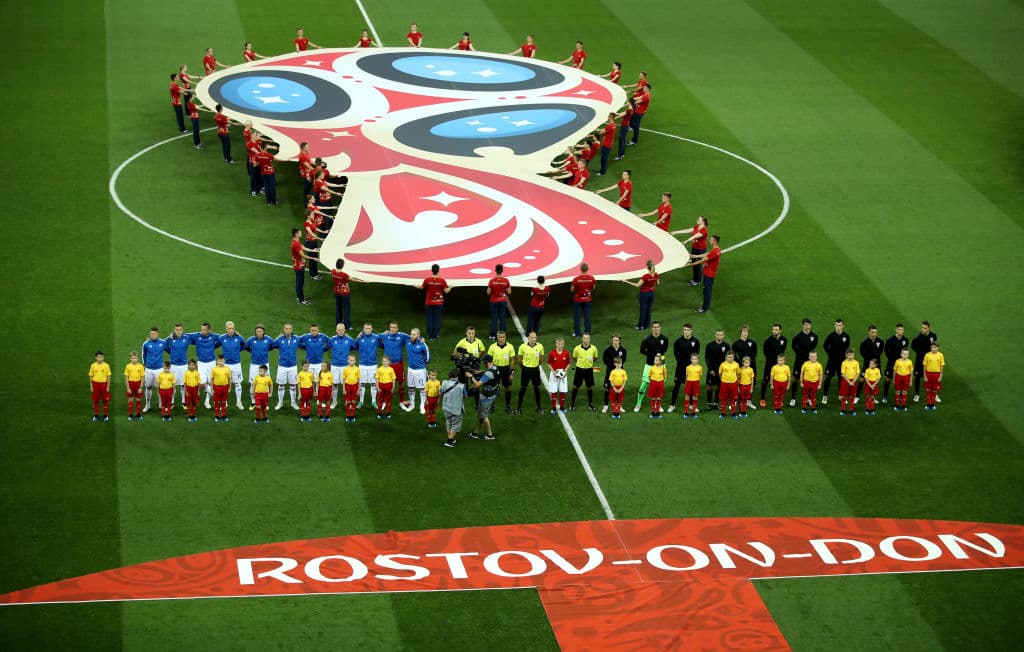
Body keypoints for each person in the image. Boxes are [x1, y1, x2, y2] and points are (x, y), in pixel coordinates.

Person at [634, 322, 669, 412]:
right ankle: (638, 403)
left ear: (660, 328)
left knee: (659, 385)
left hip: (661, 366)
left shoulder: (665, 339)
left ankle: (658, 405)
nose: (656, 329)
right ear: (652, 328)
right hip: (649, 365)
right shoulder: (646, 339)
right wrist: (651, 355)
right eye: (654, 327)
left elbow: (665, 349)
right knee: (644, 385)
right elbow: (642, 351)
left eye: (657, 327)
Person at [684, 235, 721, 313]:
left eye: (711, 240)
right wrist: (695, 256)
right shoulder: (717, 249)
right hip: (710, 273)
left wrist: (690, 265)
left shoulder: (714, 252)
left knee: (706, 291)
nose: (709, 240)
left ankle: (704, 308)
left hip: (708, 275)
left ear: (715, 241)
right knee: (707, 291)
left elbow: (702, 261)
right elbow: (707, 254)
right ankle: (705, 307)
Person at [668, 323, 700, 412]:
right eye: (685, 330)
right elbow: (675, 353)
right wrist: (680, 362)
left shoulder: (696, 341)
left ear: (691, 331)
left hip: (691, 368)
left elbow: (696, 353)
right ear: (683, 330)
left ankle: (691, 405)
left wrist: (692, 364)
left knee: (691, 386)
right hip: (680, 368)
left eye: (688, 330)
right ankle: (672, 405)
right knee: (676, 386)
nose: (686, 331)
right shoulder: (678, 341)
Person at [671, 215, 709, 287]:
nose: (697, 220)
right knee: (694, 263)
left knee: (698, 264)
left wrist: (687, 240)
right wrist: (677, 232)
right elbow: (688, 230)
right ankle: (694, 279)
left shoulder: (704, 230)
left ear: (703, 222)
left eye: (699, 219)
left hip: (700, 249)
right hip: (695, 247)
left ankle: (697, 281)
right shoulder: (697, 227)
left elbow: (695, 236)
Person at [467, 355, 500, 440]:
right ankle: (475, 432)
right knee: (480, 414)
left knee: (484, 416)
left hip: (487, 397)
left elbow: (477, 385)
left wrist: (471, 376)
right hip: (492, 394)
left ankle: (489, 435)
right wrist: (479, 371)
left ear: (486, 362)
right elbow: (488, 371)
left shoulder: (488, 374)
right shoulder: (495, 368)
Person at [380, 322, 411, 408]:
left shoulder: (402, 336)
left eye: (394, 327)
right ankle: (385, 401)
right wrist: (361, 334)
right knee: (385, 382)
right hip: (387, 365)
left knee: (400, 383)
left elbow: (413, 337)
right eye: (391, 327)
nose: (392, 329)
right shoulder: (385, 335)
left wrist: (421, 339)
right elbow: (374, 336)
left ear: (397, 329)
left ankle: (401, 401)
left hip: (398, 364)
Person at [820, 318, 851, 405]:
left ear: (843, 326)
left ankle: (841, 395)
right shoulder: (831, 336)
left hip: (841, 361)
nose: (838, 327)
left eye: (840, 325)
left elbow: (847, 346)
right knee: (828, 378)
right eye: (837, 325)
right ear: (835, 325)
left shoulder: (846, 336)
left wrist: (844, 355)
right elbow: (825, 345)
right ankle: (825, 396)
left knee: (841, 378)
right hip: (832, 361)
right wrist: (830, 353)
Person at [218, 321, 248, 411]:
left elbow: (245, 345)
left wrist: (238, 350)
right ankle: (224, 402)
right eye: (229, 328)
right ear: (226, 329)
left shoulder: (239, 337)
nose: (231, 330)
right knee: (224, 384)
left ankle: (238, 402)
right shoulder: (221, 338)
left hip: (236, 364)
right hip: (225, 364)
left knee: (237, 383)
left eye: (232, 328)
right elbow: (215, 345)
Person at [191, 322, 220, 409]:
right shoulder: (197, 336)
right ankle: (217, 398)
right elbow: (185, 335)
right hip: (201, 363)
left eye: (204, 329)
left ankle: (207, 401)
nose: (202, 331)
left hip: (211, 363)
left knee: (211, 382)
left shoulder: (214, 336)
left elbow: (223, 337)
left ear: (209, 330)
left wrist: (235, 334)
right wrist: (173, 335)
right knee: (202, 383)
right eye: (201, 329)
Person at [789, 318, 818, 407]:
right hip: (799, 360)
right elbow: (793, 346)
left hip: (809, 362)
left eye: (808, 325)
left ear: (810, 325)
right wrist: (800, 354)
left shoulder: (814, 336)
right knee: (795, 379)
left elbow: (814, 345)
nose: (807, 326)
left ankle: (808, 398)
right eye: (805, 325)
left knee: (809, 379)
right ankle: (793, 398)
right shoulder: (797, 336)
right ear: (802, 325)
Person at [245, 325, 275, 410]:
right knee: (253, 383)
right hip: (254, 365)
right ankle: (253, 402)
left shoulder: (268, 339)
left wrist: (266, 351)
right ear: (255, 332)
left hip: (265, 364)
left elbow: (272, 346)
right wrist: (252, 352)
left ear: (263, 332)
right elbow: (246, 347)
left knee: (266, 383)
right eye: (257, 331)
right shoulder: (251, 339)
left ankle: (265, 403)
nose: (259, 333)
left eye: (260, 331)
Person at [516, 331, 545, 415]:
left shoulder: (540, 346)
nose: (533, 339)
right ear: (528, 338)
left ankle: (539, 407)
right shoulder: (522, 346)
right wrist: (524, 367)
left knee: (537, 388)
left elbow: (541, 359)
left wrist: (536, 366)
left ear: (536, 338)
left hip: (535, 370)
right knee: (523, 388)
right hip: (526, 370)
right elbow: (520, 359)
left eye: (534, 337)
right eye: (531, 337)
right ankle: (518, 408)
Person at [624, 260, 658, 331]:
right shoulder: (656, 275)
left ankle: (640, 326)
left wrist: (626, 281)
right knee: (648, 310)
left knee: (643, 310)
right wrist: (652, 286)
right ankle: (647, 325)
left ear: (647, 267)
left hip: (644, 294)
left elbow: (637, 285)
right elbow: (658, 283)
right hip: (651, 293)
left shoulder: (645, 276)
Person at [328, 324, 357, 410]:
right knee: (334, 384)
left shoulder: (349, 339)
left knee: (347, 384)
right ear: (336, 330)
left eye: (342, 330)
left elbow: (355, 346)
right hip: (335, 365)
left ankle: (348, 400)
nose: (340, 331)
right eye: (339, 330)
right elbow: (326, 347)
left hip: (345, 366)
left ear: (345, 330)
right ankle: (334, 401)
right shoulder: (332, 339)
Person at [274, 323, 301, 411]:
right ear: (284, 329)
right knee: (281, 385)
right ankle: (280, 402)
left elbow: (304, 342)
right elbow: (272, 345)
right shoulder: (280, 339)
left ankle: (293, 403)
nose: (288, 330)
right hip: (282, 366)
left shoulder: (296, 339)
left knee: (293, 385)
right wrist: (277, 337)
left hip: (293, 366)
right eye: (286, 328)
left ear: (291, 330)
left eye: (289, 328)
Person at [487, 331, 516, 413]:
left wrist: (512, 371)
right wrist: (491, 371)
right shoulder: (492, 347)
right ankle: (491, 407)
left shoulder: (510, 346)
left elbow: (512, 360)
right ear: (497, 337)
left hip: (506, 369)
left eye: (503, 337)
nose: (502, 339)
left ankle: (508, 406)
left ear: (505, 337)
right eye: (500, 337)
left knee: (507, 387)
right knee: (493, 387)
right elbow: (489, 360)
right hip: (495, 368)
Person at [569, 333, 598, 411]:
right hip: (579, 369)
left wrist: (589, 363)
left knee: (589, 387)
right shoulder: (577, 348)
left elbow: (595, 358)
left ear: (590, 339)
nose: (586, 340)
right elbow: (574, 358)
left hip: (589, 370)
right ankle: (572, 404)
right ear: (582, 339)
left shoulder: (594, 348)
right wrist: (580, 363)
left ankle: (590, 404)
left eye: (588, 338)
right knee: (576, 386)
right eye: (585, 338)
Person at [356, 322, 383, 409]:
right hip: (362, 364)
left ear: (372, 329)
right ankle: (361, 401)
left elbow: (383, 345)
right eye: (366, 328)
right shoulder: (360, 337)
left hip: (373, 365)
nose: (367, 330)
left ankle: (374, 401)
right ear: (363, 329)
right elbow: (355, 346)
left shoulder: (376, 338)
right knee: (362, 383)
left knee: (374, 383)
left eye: (369, 328)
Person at [165, 323, 191, 408]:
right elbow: (164, 345)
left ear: (182, 330)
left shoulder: (187, 337)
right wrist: (171, 352)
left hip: (184, 365)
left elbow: (196, 336)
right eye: (177, 330)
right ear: (174, 330)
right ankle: (171, 402)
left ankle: (184, 401)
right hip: (173, 365)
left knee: (184, 384)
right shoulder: (170, 338)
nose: (178, 331)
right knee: (172, 384)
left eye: (180, 330)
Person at [911, 321, 939, 403]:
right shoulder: (917, 337)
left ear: (928, 328)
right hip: (920, 360)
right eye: (922, 328)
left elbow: (934, 346)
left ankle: (934, 394)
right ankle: (917, 394)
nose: (923, 329)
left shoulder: (933, 336)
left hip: (931, 360)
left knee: (932, 377)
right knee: (917, 377)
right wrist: (920, 353)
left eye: (925, 328)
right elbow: (913, 346)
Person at [760, 323, 787, 407]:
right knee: (765, 380)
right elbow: (765, 352)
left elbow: (782, 351)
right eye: (773, 329)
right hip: (770, 364)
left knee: (778, 381)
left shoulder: (784, 340)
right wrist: (771, 360)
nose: (774, 331)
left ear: (780, 331)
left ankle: (778, 398)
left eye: (776, 330)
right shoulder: (768, 340)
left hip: (779, 365)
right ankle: (762, 399)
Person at [421, 264, 450, 340]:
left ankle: (429, 335)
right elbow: (446, 291)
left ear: (432, 270)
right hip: (438, 303)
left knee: (429, 319)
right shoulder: (442, 280)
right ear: (438, 270)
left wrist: (414, 285)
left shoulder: (427, 280)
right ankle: (435, 335)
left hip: (429, 302)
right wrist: (451, 287)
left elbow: (422, 287)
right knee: (437, 319)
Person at [299, 323, 330, 394]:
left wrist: (324, 349)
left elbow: (330, 342)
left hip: (319, 363)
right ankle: (312, 391)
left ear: (318, 330)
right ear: (310, 330)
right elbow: (297, 341)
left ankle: (317, 391)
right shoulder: (306, 337)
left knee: (318, 379)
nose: (314, 332)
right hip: (309, 363)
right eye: (312, 330)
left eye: (316, 330)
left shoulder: (323, 336)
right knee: (310, 378)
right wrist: (305, 347)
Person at [141, 326, 166, 413]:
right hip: (149, 369)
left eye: (154, 334)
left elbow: (170, 349)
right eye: (151, 333)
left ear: (157, 334)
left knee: (160, 387)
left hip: (159, 369)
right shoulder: (146, 343)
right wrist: (144, 364)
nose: (153, 335)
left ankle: (161, 403)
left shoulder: (163, 342)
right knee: (148, 387)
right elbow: (143, 354)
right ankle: (147, 405)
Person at [733, 326, 758, 411]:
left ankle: (748, 401)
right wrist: (740, 363)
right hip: (741, 367)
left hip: (752, 366)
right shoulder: (736, 344)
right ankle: (736, 401)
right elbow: (734, 355)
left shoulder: (752, 342)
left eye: (746, 332)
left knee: (751, 382)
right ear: (740, 332)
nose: (745, 333)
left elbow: (755, 352)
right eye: (743, 331)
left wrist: (750, 362)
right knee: (739, 383)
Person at [882, 323, 909, 404]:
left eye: (902, 330)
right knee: (888, 379)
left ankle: (900, 396)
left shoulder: (905, 339)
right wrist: (891, 358)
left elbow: (906, 351)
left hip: (901, 363)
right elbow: (886, 350)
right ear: (896, 330)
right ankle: (885, 395)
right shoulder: (890, 340)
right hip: (892, 362)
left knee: (901, 379)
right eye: (899, 329)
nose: (900, 331)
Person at [703, 329, 730, 410]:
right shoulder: (709, 345)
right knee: (710, 387)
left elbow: (728, 359)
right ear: (715, 335)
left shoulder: (727, 346)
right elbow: (707, 358)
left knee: (719, 387)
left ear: (723, 336)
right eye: (718, 334)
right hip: (711, 370)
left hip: (721, 371)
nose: (719, 336)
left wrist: (725, 369)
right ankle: (709, 403)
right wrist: (710, 369)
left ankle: (716, 402)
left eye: (721, 335)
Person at [406, 329, 431, 413]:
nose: (412, 336)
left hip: (420, 371)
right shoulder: (407, 341)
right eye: (411, 334)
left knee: (422, 388)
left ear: (418, 335)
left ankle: (422, 406)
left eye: (414, 334)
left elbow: (428, 357)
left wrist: (421, 364)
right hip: (410, 370)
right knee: (411, 388)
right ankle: (412, 404)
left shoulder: (423, 344)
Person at [441, 369, 467, 447]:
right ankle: (449, 441)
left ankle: (451, 438)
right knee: (455, 424)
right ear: (457, 376)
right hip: (456, 409)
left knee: (448, 422)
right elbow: (465, 396)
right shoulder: (461, 386)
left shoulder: (444, 383)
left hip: (446, 408)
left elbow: (440, 392)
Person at [601, 334, 627, 413]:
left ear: (619, 341)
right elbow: (604, 360)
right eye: (614, 340)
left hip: (619, 373)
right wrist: (611, 366)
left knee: (619, 389)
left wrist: (618, 367)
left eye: (617, 340)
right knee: (607, 389)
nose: (615, 342)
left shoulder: (623, 350)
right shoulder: (607, 350)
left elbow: (624, 360)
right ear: (612, 341)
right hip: (609, 372)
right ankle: (606, 405)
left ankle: (619, 405)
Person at [857, 325, 885, 398]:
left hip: (876, 364)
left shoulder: (880, 341)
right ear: (869, 332)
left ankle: (873, 397)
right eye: (872, 332)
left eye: (875, 332)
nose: (874, 334)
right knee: (862, 379)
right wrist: (870, 360)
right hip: (867, 363)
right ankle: (857, 396)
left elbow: (880, 352)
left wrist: (873, 360)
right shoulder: (864, 343)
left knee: (876, 379)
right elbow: (862, 353)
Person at [570, 263, 596, 337]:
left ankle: (577, 334)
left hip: (578, 300)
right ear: (587, 269)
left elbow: (572, 290)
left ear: (580, 269)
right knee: (587, 317)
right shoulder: (592, 278)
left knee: (577, 317)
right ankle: (587, 333)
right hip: (587, 299)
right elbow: (593, 288)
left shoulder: (576, 279)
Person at [291, 228, 316, 305]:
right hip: (299, 266)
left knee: (299, 282)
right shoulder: (296, 244)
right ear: (296, 234)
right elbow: (303, 255)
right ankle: (301, 300)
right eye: (300, 232)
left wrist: (313, 250)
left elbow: (303, 248)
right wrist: (313, 258)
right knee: (300, 283)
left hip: (298, 265)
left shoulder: (295, 241)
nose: (301, 233)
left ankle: (299, 297)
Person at [487, 264, 511, 340]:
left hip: (494, 301)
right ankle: (502, 335)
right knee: (502, 319)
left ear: (495, 270)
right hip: (502, 301)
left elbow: (488, 292)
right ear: (502, 271)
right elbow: (509, 292)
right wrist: (503, 291)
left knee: (494, 319)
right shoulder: (506, 280)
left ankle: (493, 335)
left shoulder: (492, 281)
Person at [547, 338, 571, 413]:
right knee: (553, 391)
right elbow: (548, 363)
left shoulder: (566, 353)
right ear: (556, 344)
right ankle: (554, 408)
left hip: (563, 374)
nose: (560, 345)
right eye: (558, 344)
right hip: (554, 374)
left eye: (561, 344)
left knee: (562, 391)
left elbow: (569, 363)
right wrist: (553, 371)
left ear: (563, 344)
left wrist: (565, 370)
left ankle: (562, 407)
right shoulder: (551, 353)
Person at [89, 350, 112, 422]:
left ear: (103, 357)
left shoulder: (106, 365)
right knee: (95, 400)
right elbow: (91, 376)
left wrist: (108, 386)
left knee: (105, 400)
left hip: (104, 385)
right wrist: (91, 386)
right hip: (95, 384)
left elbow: (108, 376)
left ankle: (105, 415)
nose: (100, 359)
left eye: (101, 357)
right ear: (95, 358)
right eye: (99, 357)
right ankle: (96, 415)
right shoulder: (93, 365)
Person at [922, 342, 945, 411]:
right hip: (928, 374)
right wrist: (925, 375)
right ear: (930, 347)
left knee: (934, 390)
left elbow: (942, 366)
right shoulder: (927, 355)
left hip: (936, 374)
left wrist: (940, 376)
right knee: (928, 389)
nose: (934, 349)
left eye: (935, 347)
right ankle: (928, 404)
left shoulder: (940, 355)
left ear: (938, 348)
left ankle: (932, 404)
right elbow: (925, 366)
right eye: (932, 347)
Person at [210, 355, 232, 422]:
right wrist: (212, 388)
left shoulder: (227, 369)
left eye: (222, 361)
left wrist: (229, 387)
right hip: (216, 387)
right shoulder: (214, 369)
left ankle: (224, 415)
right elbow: (212, 379)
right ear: (217, 361)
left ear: (224, 361)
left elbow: (229, 379)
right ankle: (217, 416)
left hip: (225, 387)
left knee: (224, 402)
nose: (221, 362)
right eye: (219, 361)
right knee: (217, 402)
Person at [718, 351, 740, 419]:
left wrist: (737, 383)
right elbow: (720, 374)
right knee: (723, 399)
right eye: (728, 357)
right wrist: (723, 380)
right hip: (724, 383)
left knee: (733, 399)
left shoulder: (736, 364)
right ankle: (723, 413)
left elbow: (738, 374)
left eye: (731, 357)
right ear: (726, 357)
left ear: (733, 357)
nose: (730, 358)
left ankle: (733, 413)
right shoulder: (722, 365)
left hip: (733, 383)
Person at [839, 349, 861, 416]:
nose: (850, 356)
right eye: (849, 355)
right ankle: (843, 410)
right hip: (846, 381)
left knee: (852, 396)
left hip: (854, 381)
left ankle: (852, 410)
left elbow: (858, 373)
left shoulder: (856, 362)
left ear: (854, 355)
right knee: (844, 396)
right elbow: (843, 374)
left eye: (851, 355)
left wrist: (853, 381)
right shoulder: (844, 363)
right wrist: (849, 382)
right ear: (846, 355)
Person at [124, 351, 144, 420]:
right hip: (131, 384)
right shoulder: (128, 366)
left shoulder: (140, 366)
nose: (134, 360)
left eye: (135, 358)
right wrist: (128, 388)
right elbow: (126, 377)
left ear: (138, 358)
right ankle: (130, 414)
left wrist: (141, 387)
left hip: (138, 384)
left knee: (138, 399)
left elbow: (142, 377)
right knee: (130, 399)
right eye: (133, 358)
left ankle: (138, 414)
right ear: (130, 358)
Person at [596, 112, 618, 176]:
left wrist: (596, 132)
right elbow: (605, 130)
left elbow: (602, 132)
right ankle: (603, 170)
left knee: (604, 158)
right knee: (605, 157)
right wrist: (599, 129)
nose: (607, 117)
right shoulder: (613, 125)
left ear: (611, 117)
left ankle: (602, 172)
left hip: (606, 144)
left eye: (608, 116)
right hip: (609, 144)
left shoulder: (610, 126)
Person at [682, 353, 702, 419]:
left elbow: (699, 376)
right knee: (687, 397)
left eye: (695, 359)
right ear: (690, 360)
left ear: (698, 360)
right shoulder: (688, 367)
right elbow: (686, 376)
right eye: (693, 359)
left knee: (695, 397)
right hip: (689, 383)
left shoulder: (700, 367)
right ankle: (686, 412)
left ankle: (693, 412)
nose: (694, 360)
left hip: (696, 383)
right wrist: (686, 384)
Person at [341, 354, 361, 423]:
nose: (352, 361)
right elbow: (343, 380)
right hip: (347, 386)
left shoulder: (357, 369)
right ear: (348, 361)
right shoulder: (345, 369)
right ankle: (348, 415)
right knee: (348, 401)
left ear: (355, 361)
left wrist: (358, 389)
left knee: (353, 401)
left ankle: (352, 415)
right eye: (350, 360)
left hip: (355, 386)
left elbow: (358, 380)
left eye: (353, 360)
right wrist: (344, 389)